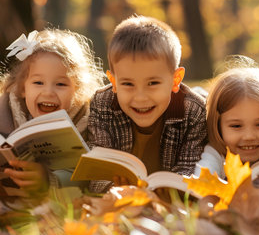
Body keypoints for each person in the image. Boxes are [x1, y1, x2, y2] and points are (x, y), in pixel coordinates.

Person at [87, 15, 208, 192]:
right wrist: (114, 189)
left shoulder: (193, 111)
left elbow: (189, 169)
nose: (141, 97)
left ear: (176, 79)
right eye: (128, 84)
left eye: (152, 83)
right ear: (113, 81)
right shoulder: (102, 104)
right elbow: (97, 172)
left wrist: (169, 191)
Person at [0, 28, 106, 198]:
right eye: (38, 82)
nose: (48, 92)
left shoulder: (86, 121)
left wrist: (48, 180)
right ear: (23, 87)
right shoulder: (6, 113)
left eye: (61, 84)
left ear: (77, 90)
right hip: (7, 199)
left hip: (61, 205)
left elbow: (87, 177)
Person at [194, 62, 259, 180]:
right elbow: (202, 180)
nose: (249, 136)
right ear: (218, 126)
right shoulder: (216, 155)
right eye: (236, 126)